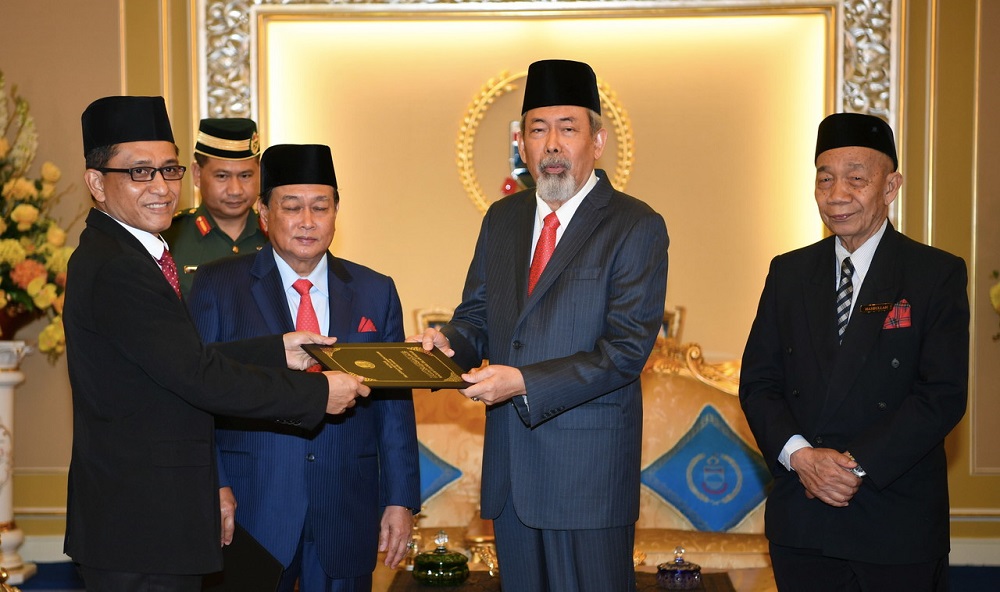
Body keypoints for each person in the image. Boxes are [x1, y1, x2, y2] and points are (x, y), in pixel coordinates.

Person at [64, 96, 371, 592]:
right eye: (139, 173)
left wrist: (276, 350)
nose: (162, 187)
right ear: (97, 182)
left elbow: (179, 360)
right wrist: (317, 395)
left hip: (149, 522)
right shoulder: (118, 266)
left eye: (169, 169)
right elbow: (197, 377)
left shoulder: (133, 251)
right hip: (141, 525)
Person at [411, 59, 669, 591]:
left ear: (596, 142)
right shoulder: (500, 220)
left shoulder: (634, 225)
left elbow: (624, 351)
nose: (552, 144)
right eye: (537, 129)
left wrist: (524, 382)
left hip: (588, 480)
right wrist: (447, 345)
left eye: (567, 128)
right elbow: (477, 317)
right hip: (511, 479)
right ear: (522, 145)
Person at [739, 112, 969, 592]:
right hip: (803, 515)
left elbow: (941, 394)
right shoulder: (789, 273)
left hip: (893, 517)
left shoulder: (934, 274)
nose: (837, 194)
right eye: (825, 179)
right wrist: (803, 459)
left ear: (891, 187)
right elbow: (759, 384)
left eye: (856, 179)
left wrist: (851, 466)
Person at [187, 143, 420, 592]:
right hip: (252, 502)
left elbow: (394, 406)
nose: (308, 221)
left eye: (321, 207)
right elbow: (196, 393)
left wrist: (400, 500)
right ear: (264, 212)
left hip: (346, 504)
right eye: (292, 207)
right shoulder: (218, 285)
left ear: (336, 211)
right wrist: (212, 485)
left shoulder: (375, 290)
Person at [161, 117, 268, 295]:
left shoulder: (277, 237)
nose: (235, 190)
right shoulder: (169, 238)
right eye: (222, 176)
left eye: (245, 176)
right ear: (197, 174)